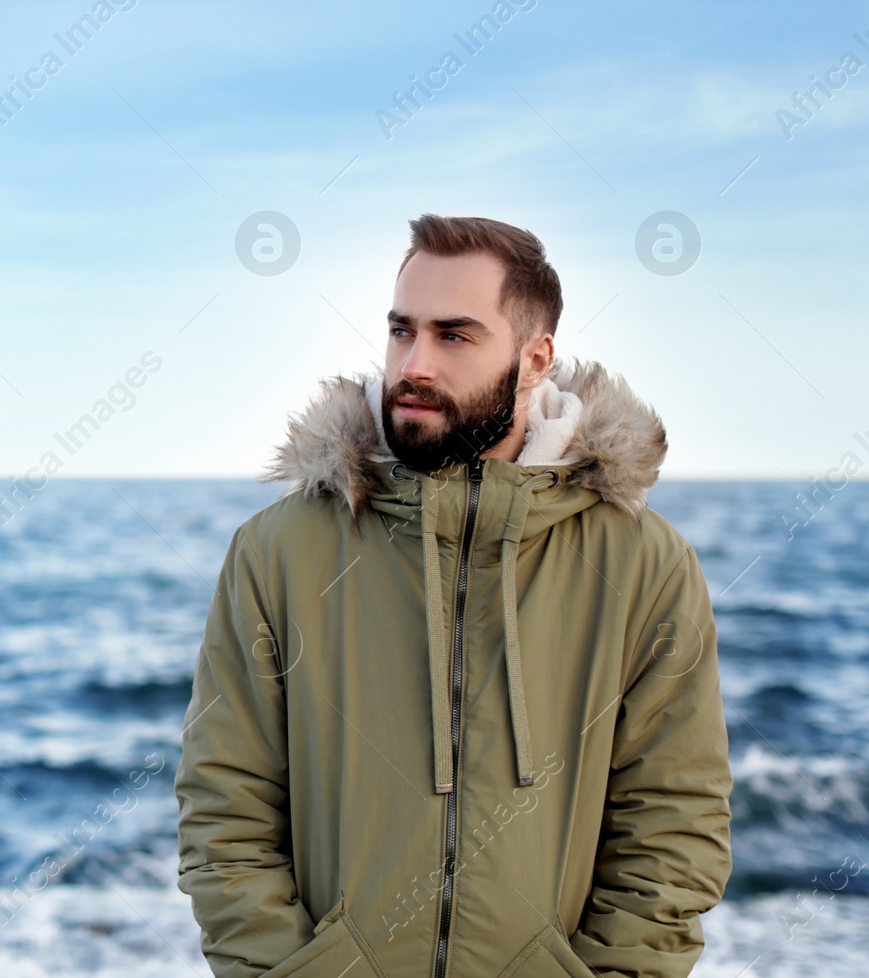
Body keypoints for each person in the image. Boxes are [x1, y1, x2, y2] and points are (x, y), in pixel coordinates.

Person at [175, 214, 732, 978]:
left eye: (454, 335)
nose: (415, 363)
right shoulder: (278, 552)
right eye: (402, 331)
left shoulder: (643, 566)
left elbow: (674, 827)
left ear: (536, 358)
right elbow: (225, 808)